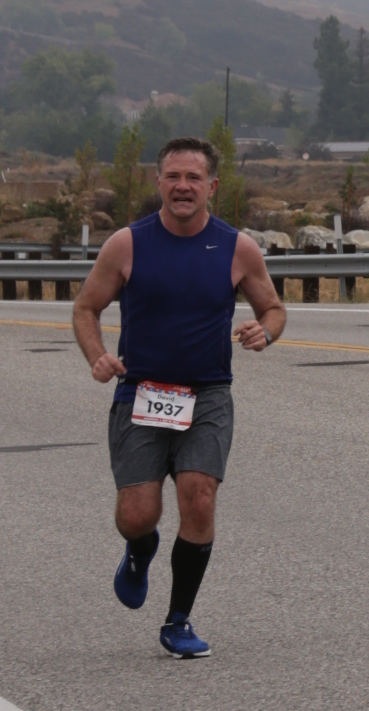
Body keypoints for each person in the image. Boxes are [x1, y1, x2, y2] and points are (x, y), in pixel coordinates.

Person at [72, 135, 285, 659]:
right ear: (159, 182)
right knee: (136, 515)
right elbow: (86, 308)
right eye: (173, 176)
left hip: (208, 393)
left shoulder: (237, 247)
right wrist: (97, 355)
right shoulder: (127, 244)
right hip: (140, 391)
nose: (183, 186)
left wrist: (265, 331)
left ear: (212, 186)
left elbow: (274, 309)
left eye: (194, 177)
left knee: (199, 496)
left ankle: (178, 620)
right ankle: (139, 549)